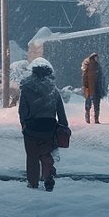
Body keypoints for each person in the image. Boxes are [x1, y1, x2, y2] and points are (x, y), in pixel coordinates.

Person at [18, 57, 69, 192]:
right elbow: (60, 111)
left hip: (31, 128)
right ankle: (47, 176)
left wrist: (23, 123)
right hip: (49, 127)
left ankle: (33, 182)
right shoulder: (53, 91)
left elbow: (23, 109)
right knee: (46, 154)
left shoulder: (27, 89)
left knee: (32, 157)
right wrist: (63, 126)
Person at [81, 52, 106, 124]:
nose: (96, 59)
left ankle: (95, 119)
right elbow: (84, 77)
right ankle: (89, 118)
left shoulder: (97, 66)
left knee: (95, 104)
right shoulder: (88, 65)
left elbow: (101, 78)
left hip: (95, 88)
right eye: (95, 57)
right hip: (89, 88)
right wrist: (85, 85)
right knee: (90, 103)